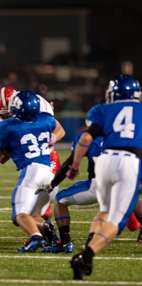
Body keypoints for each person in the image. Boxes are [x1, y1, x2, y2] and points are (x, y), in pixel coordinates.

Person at [67, 74, 142, 280]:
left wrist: (74, 166)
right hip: (129, 161)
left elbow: (86, 138)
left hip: (105, 161)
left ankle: (88, 248)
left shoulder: (101, 109)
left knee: (104, 212)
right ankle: (85, 256)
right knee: (116, 221)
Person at [0, 90, 56, 252]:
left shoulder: (6, 126)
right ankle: (52, 237)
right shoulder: (47, 119)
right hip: (49, 173)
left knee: (20, 215)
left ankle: (36, 237)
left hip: (31, 172)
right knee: (34, 216)